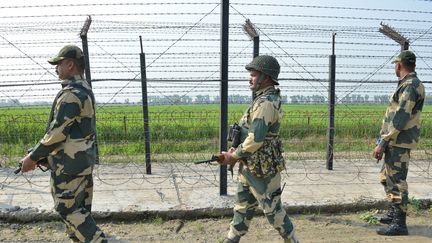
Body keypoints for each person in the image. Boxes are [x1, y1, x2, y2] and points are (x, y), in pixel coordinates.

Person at [20, 45, 107, 243]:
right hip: (80, 162)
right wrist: (45, 155)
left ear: (70, 65)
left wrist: (33, 157)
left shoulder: (71, 94)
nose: (56, 68)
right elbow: (73, 132)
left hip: (68, 166)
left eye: (58, 64)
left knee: (67, 208)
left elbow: (58, 132)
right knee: (80, 210)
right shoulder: (84, 89)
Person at [220, 55, 299, 243]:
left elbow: (256, 139)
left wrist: (233, 156)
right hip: (251, 165)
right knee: (242, 207)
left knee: (273, 211)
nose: (250, 78)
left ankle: (292, 240)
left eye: (254, 75)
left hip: (262, 170)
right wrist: (236, 153)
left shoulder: (265, 103)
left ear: (266, 77)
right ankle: (231, 240)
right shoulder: (263, 99)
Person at [373, 50, 425, 236]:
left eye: (396, 64)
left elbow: (400, 117)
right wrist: (384, 140)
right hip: (394, 140)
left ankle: (399, 223)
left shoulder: (411, 85)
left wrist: (383, 141)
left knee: (397, 182)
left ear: (400, 65)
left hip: (398, 141)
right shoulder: (407, 84)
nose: (395, 67)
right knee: (387, 178)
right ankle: (394, 212)